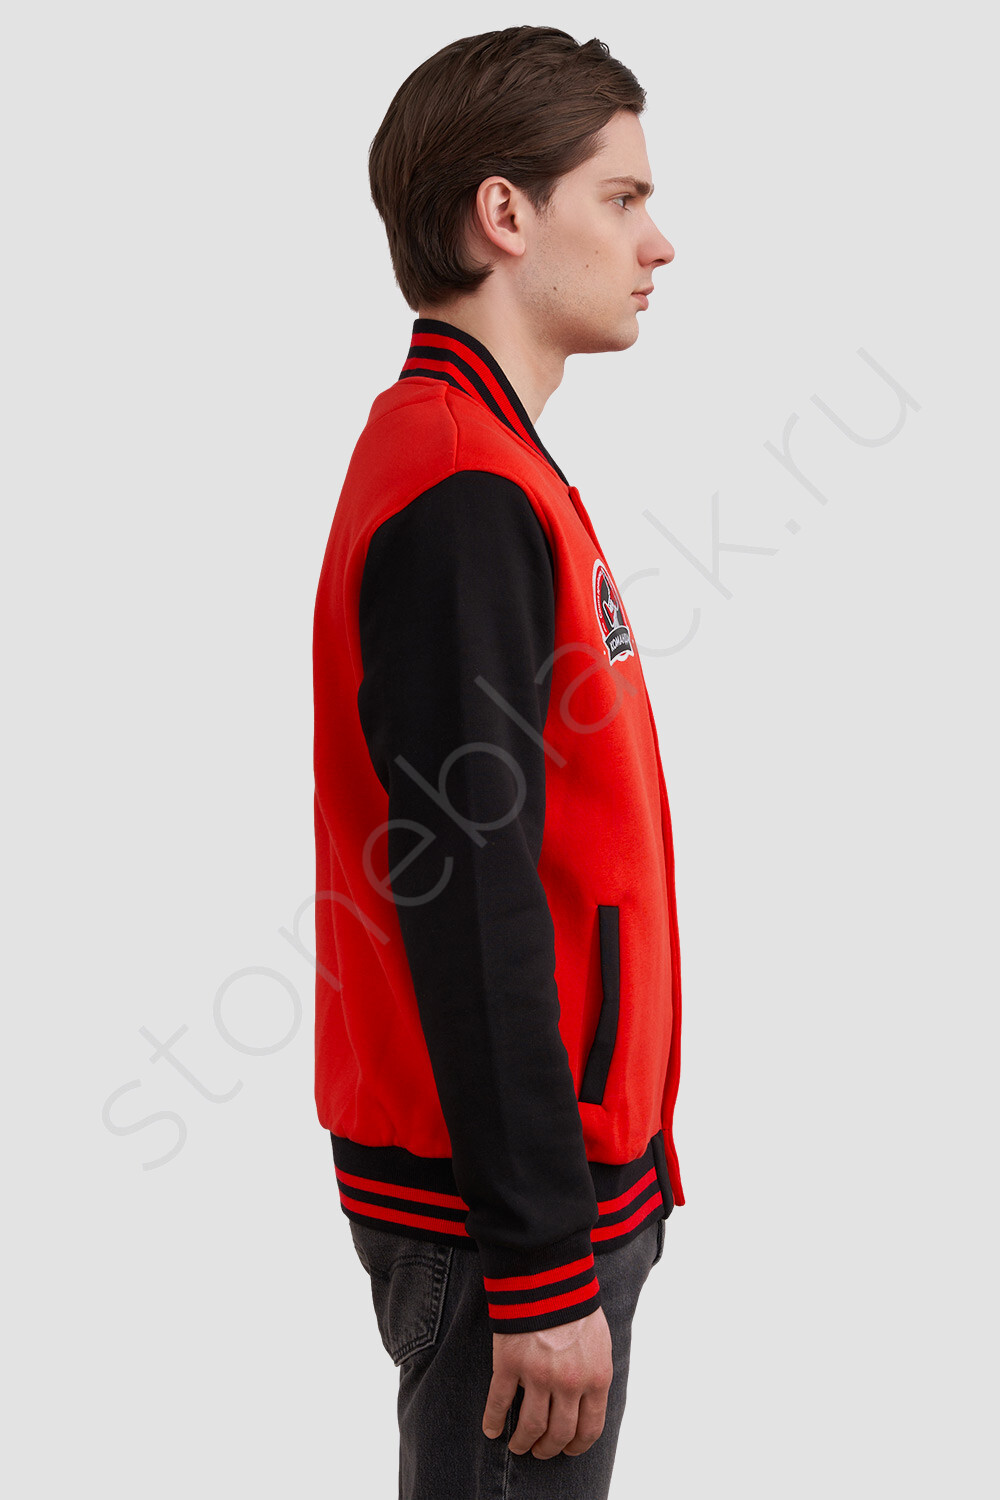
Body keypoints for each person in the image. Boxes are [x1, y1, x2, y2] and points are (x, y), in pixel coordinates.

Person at [312, 25, 684, 1499]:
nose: (659, 242)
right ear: (505, 214)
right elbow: (466, 888)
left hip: (542, 1188)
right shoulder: (463, 486)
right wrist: (539, 1262)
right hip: (504, 1219)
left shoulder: (485, 456)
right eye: (622, 197)